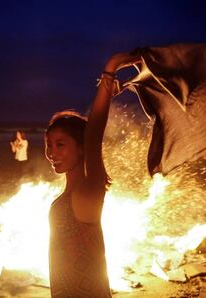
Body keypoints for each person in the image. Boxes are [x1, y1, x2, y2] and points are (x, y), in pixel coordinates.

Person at [46, 53, 139, 297]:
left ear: (81, 146)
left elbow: (94, 132)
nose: (51, 153)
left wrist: (110, 70)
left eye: (60, 144)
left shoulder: (88, 191)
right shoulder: (70, 193)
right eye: (48, 145)